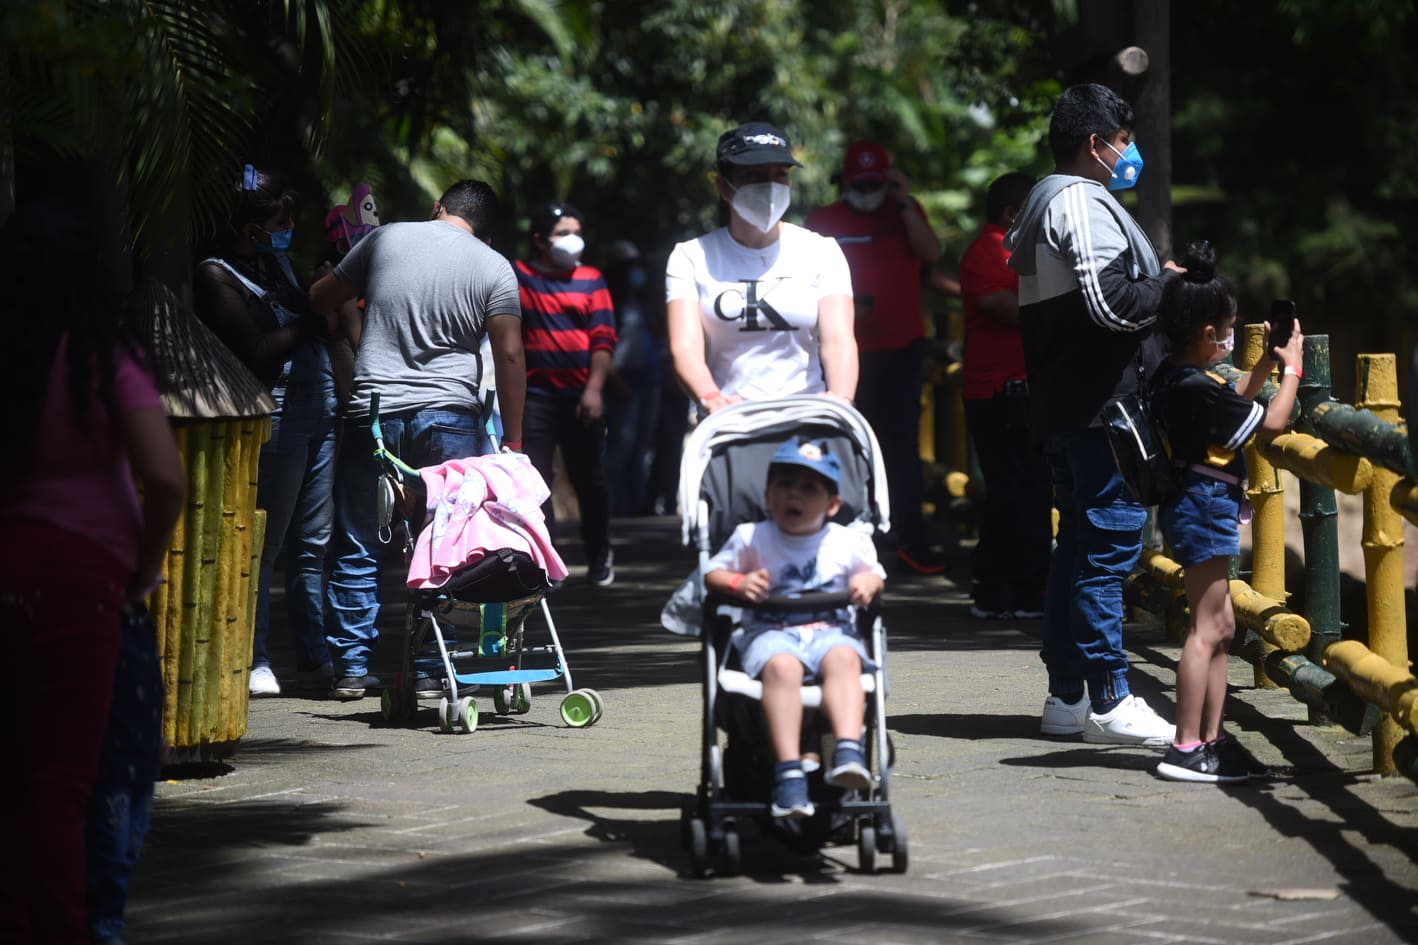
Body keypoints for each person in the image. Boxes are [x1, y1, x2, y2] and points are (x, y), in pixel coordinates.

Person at [0, 203, 186, 945]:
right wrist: (143, 565)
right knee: (63, 781)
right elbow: (164, 476)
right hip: (80, 583)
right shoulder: (100, 354)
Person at [1004, 82, 1181, 745]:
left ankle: (1067, 695)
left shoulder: (1053, 201)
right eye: (1124, 140)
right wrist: (1167, 282)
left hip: (1073, 405)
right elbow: (1111, 306)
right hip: (1102, 409)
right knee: (1106, 551)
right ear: (1095, 144)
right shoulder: (1078, 198)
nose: (1129, 152)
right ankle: (1112, 694)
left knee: (1077, 549)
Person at [310, 179, 526, 699]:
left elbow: (320, 298)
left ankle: (351, 667)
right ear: (486, 230)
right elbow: (511, 354)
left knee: (361, 536)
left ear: (438, 208)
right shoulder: (494, 267)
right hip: (451, 416)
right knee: (445, 538)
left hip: (375, 413)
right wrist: (514, 442)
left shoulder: (386, 240)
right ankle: (434, 665)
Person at [1150, 241, 1301, 782]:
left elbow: (1234, 399)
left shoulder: (1174, 375)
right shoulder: (1196, 388)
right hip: (1203, 503)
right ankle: (1186, 746)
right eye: (1231, 328)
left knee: (1221, 625)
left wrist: (1262, 364)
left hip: (1195, 500)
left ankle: (1210, 741)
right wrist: (1293, 374)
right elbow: (1271, 425)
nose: (1235, 336)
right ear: (1210, 334)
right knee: (1207, 630)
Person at [194, 166, 339, 696]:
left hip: (318, 406)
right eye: (280, 218)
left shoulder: (277, 262)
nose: (290, 226)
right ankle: (255, 660)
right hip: (272, 412)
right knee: (265, 542)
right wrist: (312, 324)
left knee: (313, 542)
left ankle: (315, 657)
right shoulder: (215, 275)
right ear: (250, 225)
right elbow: (255, 353)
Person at [704, 438, 886, 819]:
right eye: (785, 485)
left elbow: (873, 574)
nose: (795, 495)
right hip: (771, 633)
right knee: (783, 666)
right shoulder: (751, 537)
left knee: (844, 658)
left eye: (809, 488)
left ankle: (848, 750)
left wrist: (868, 584)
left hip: (829, 631)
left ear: (832, 504)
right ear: (769, 495)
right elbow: (712, 573)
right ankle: (789, 771)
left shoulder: (845, 541)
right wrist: (737, 583)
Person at [806, 140, 945, 574]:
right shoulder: (823, 220)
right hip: (843, 354)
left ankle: (911, 543)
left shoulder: (904, 213)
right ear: (844, 180)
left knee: (901, 450)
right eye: (859, 180)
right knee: (842, 448)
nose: (867, 188)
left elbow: (932, 255)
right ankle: (836, 541)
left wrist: (903, 202)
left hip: (901, 350)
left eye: (876, 180)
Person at [666, 121, 858, 413]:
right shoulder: (690, 257)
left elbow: (839, 340)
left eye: (779, 175)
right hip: (730, 422)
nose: (769, 186)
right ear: (724, 187)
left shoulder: (823, 251)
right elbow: (685, 347)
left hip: (808, 420)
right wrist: (712, 400)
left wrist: (840, 400)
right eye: (753, 175)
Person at [959, 172, 1052, 620]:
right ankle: (1010, 589)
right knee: (1016, 491)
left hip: (1017, 392)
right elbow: (1001, 306)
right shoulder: (991, 248)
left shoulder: (1015, 249)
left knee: (1023, 491)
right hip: (1000, 393)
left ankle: (1006, 589)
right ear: (1014, 214)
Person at [515, 201, 618, 585]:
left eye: (577, 232)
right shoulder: (518, 276)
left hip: (581, 397)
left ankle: (600, 554)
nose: (573, 240)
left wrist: (594, 389)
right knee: (537, 481)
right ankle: (548, 562)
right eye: (563, 234)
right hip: (535, 397)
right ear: (540, 241)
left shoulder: (592, 279)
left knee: (589, 478)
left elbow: (603, 339)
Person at [86, 604, 165, 945]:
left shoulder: (139, 620)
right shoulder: (96, 617)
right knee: (108, 852)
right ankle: (101, 928)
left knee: (129, 848)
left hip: (141, 754)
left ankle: (107, 922)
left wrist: (158, 735)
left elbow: (152, 685)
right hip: (108, 760)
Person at [602, 239, 662, 517]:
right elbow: (603, 346)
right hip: (621, 381)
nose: (635, 272)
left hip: (648, 379)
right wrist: (615, 381)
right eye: (630, 267)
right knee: (621, 444)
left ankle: (636, 505)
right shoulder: (609, 302)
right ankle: (608, 502)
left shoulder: (642, 301)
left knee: (640, 446)